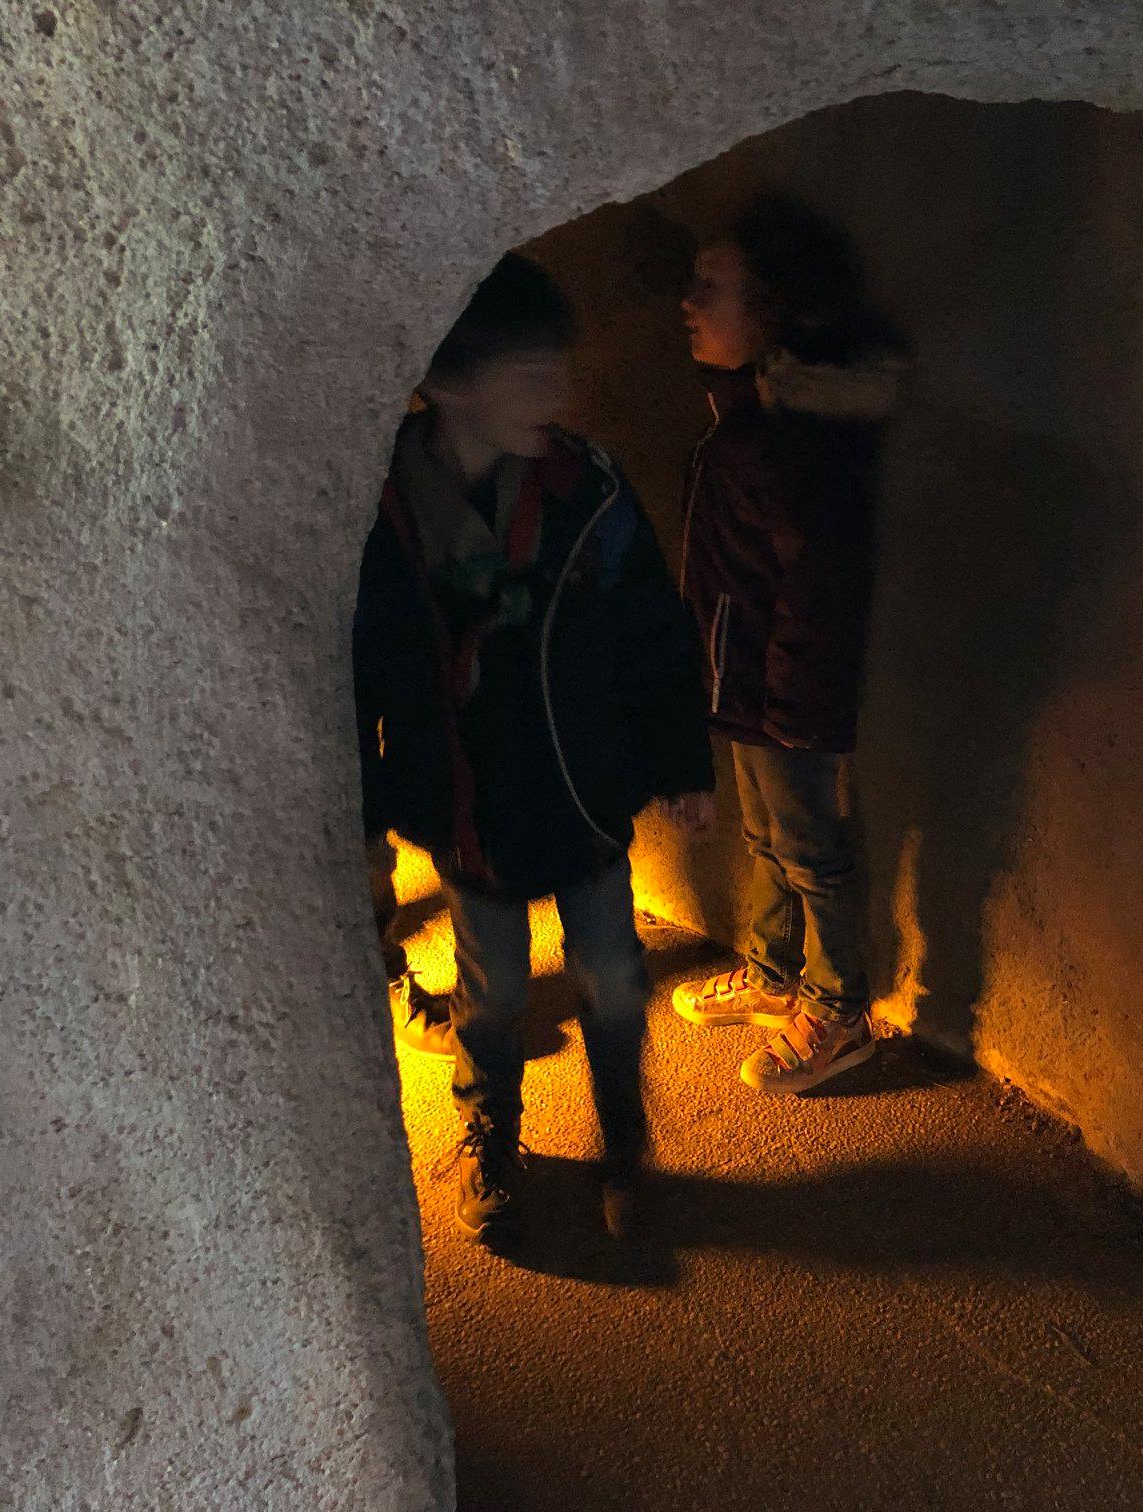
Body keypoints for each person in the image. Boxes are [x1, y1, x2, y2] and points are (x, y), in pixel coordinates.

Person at [352, 253, 716, 1245]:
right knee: (495, 990)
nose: (560, 396)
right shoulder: (382, 509)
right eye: (531, 378)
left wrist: (681, 761)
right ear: (449, 385)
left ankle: (625, 1143)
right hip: (470, 804)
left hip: (581, 787)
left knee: (610, 975)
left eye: (558, 372)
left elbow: (654, 625)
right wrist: (366, 793)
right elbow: (362, 659)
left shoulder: (582, 490)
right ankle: (491, 1138)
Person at [670, 196, 907, 1095]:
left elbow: (820, 583)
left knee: (811, 847)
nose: (689, 304)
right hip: (746, 680)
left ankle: (841, 1009)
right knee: (769, 837)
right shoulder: (747, 417)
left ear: (772, 307)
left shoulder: (799, 435)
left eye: (711, 288)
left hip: (785, 693)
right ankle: (777, 975)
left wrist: (793, 705)